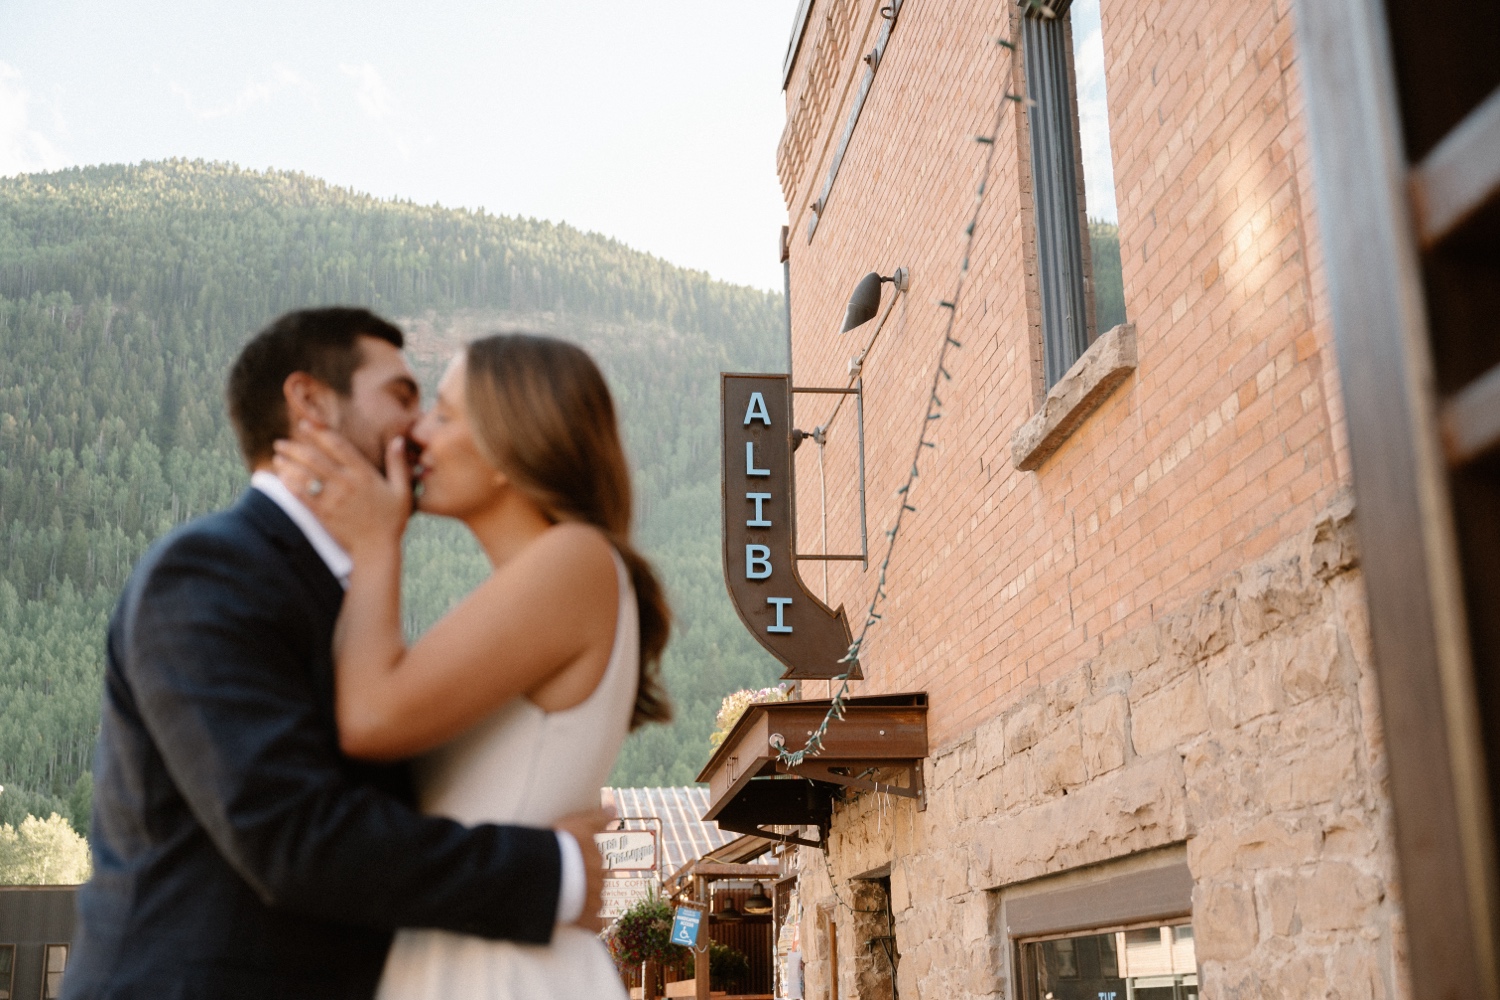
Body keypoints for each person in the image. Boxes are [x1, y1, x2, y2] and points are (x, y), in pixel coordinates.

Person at [65, 309, 614, 1000]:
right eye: (402, 397)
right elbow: (291, 836)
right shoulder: (208, 572)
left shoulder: (349, 603)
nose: (417, 432)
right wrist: (556, 870)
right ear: (310, 403)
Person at [270, 331, 671, 998]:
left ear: (513, 445)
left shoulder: (574, 560)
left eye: (445, 415)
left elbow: (369, 717)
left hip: (501, 970)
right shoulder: (549, 579)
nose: (418, 434)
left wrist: (375, 542)